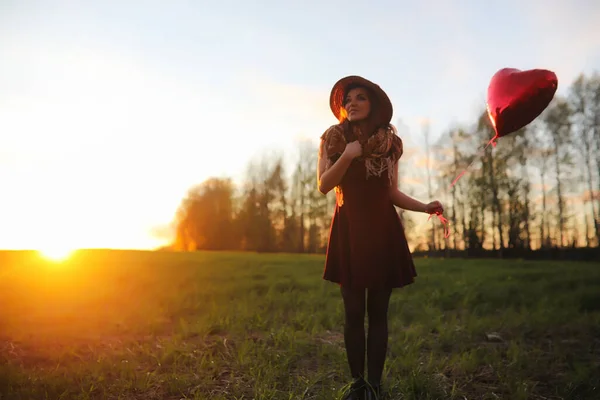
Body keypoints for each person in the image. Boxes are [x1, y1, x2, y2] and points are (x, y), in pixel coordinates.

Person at [317, 76, 443, 400]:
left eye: (360, 98)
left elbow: (391, 192)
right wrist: (348, 155)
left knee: (379, 312)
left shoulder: (389, 144)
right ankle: (357, 385)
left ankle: (375, 385)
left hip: (382, 231)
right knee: (353, 312)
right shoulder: (333, 139)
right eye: (348, 100)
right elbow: (324, 184)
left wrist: (424, 206)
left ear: (373, 105)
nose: (352, 103)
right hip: (349, 230)